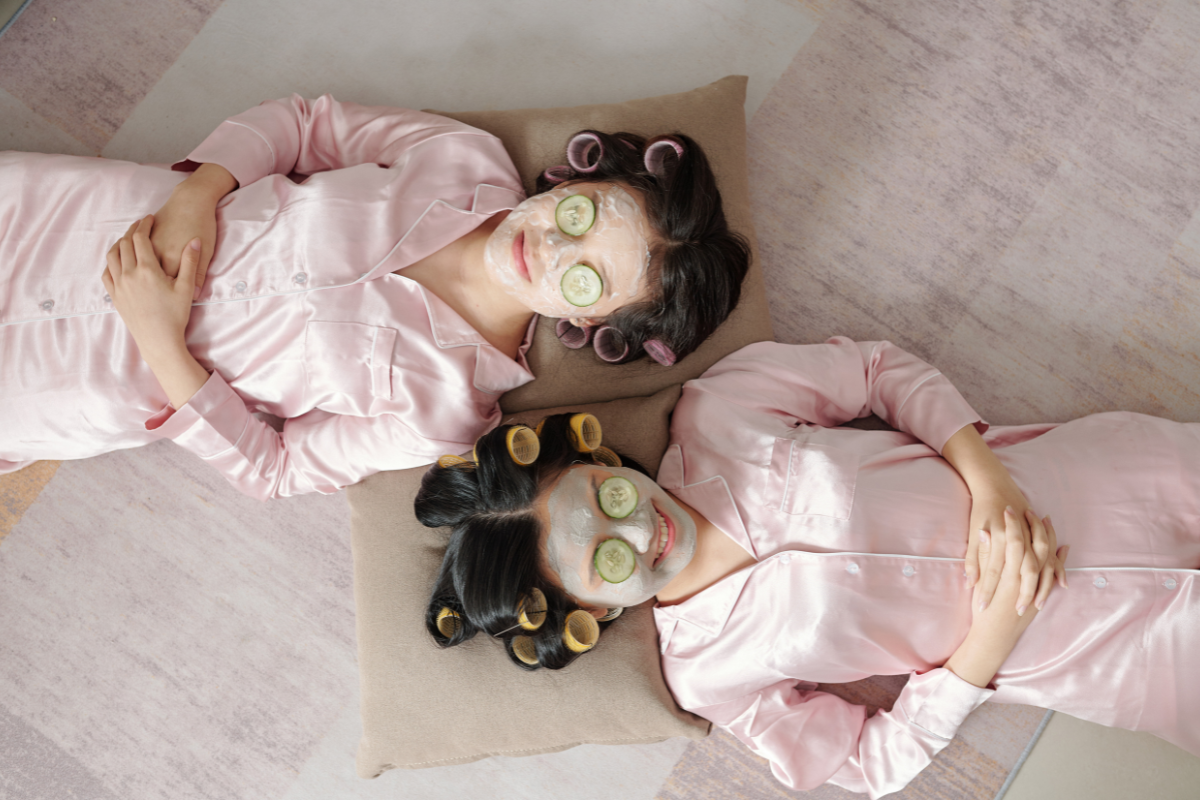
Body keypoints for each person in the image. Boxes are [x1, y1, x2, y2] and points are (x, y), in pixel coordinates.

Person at [415, 338, 1200, 798]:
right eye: (608, 555)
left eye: (610, 494)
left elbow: (876, 369)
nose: (641, 526)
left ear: (595, 459)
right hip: (1107, 652)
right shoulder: (704, 674)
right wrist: (987, 648)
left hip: (1108, 481)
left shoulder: (717, 413)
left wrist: (988, 474)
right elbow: (868, 763)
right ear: (589, 612)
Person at [0, 95, 750, 499]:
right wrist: (200, 191)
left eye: (584, 277)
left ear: (590, 319)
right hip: (82, 219)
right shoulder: (460, 158)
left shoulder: (447, 409)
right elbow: (303, 125)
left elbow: (281, 470)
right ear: (580, 182)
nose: (549, 247)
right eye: (580, 216)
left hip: (78, 378)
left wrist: (162, 344)